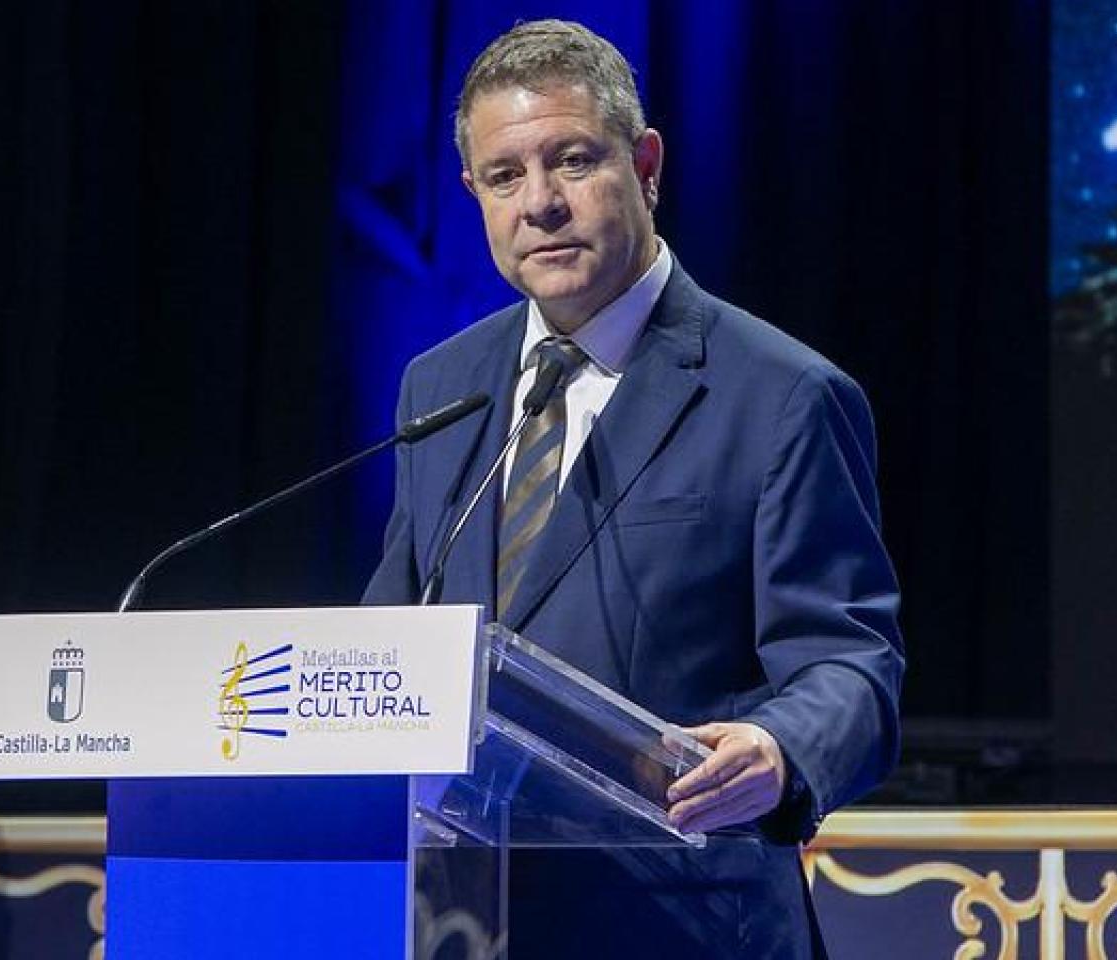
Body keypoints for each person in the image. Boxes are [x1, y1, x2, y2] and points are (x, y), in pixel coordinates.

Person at [362, 20, 905, 957]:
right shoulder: (441, 390)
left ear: (645, 164)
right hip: (465, 919)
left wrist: (776, 752)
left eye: (571, 161)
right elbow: (389, 644)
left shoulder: (780, 395)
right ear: (475, 196)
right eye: (505, 177)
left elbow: (850, 667)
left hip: (686, 917)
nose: (540, 203)